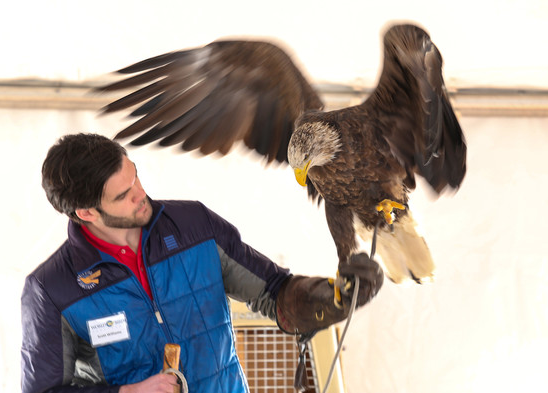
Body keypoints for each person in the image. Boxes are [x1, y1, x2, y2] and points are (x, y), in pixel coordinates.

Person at [21, 133, 383, 393]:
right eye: (123, 196)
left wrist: (332, 297)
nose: (141, 195)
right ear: (87, 212)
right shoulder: (53, 289)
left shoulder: (195, 226)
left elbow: (274, 293)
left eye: (136, 178)